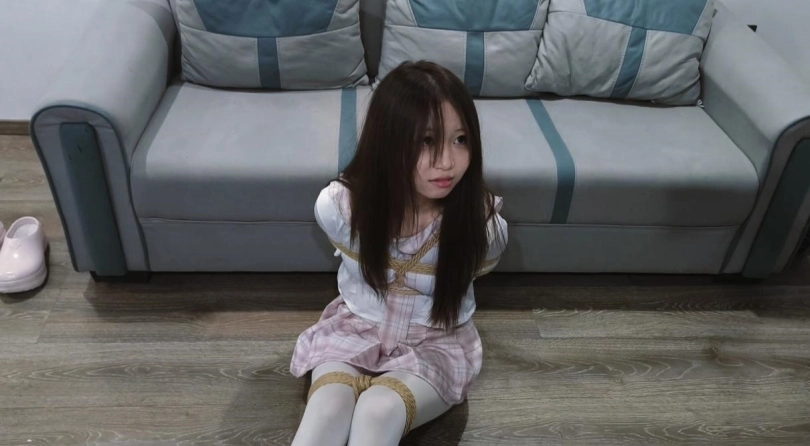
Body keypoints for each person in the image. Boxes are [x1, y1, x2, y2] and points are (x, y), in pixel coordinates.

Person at [290, 60, 508, 446]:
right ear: (388, 141)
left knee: (379, 410)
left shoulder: (482, 226)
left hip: (437, 339)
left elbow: (475, 268)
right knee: (326, 408)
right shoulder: (341, 207)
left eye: (460, 139)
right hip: (357, 325)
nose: (447, 162)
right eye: (427, 141)